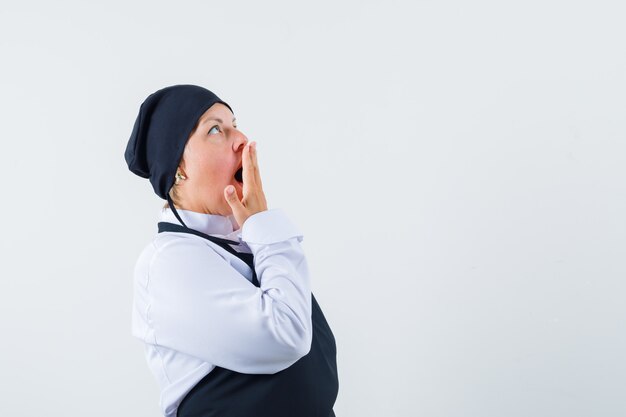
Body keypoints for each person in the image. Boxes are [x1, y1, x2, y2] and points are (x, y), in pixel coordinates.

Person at [124, 84, 339, 417]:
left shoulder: (247, 242)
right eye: (215, 129)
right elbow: (288, 335)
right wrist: (263, 224)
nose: (241, 139)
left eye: (235, 124)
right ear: (178, 168)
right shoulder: (169, 263)